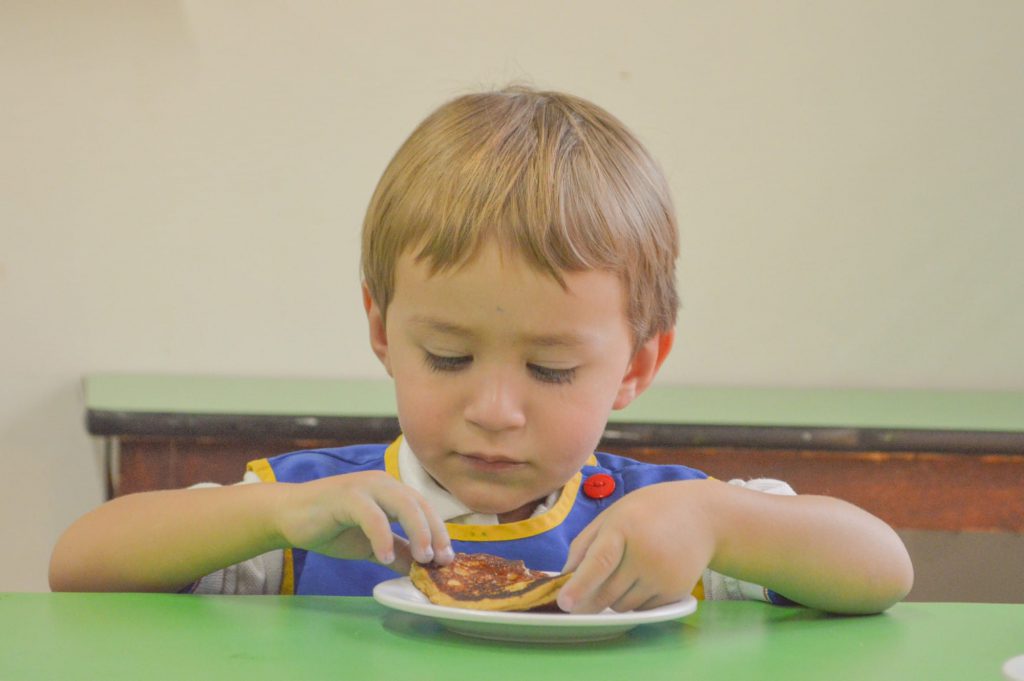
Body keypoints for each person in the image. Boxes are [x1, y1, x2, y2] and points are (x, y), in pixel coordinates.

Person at [49, 86, 913, 614]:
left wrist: (722, 522)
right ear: (383, 331)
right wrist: (268, 514)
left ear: (637, 367)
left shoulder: (662, 527)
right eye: (449, 356)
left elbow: (884, 570)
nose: (495, 410)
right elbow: (78, 565)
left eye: (550, 369)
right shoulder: (323, 516)